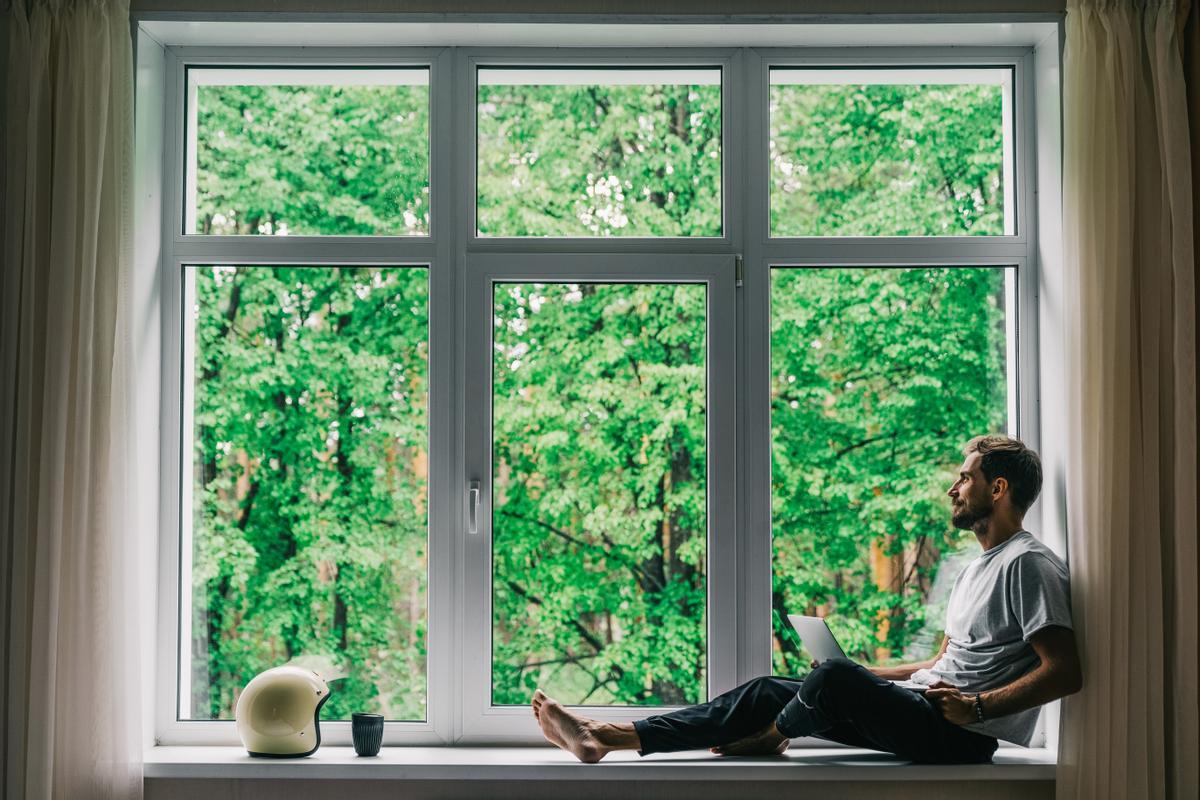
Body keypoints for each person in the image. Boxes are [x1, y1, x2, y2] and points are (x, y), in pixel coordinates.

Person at [531, 435, 1082, 764]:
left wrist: (978, 707)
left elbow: (1063, 672)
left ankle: (773, 736)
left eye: (965, 478)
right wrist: (868, 674)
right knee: (771, 686)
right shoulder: (973, 567)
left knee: (831, 681)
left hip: (963, 734)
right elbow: (940, 663)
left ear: (999, 489)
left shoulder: (1027, 564)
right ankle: (604, 737)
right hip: (925, 708)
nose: (953, 489)